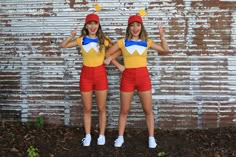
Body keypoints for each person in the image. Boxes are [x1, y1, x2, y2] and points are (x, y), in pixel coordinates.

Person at [104, 14, 169, 148]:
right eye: (132, 25)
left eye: (138, 25)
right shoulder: (123, 42)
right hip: (127, 78)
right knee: (124, 110)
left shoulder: (147, 41)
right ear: (129, 27)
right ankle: (120, 137)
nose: (135, 28)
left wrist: (162, 36)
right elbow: (107, 54)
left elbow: (165, 50)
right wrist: (119, 65)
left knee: (147, 109)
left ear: (141, 27)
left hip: (143, 77)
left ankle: (151, 137)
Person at [60, 13, 113, 146]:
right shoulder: (81, 40)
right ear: (86, 26)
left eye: (95, 23)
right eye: (90, 23)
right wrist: (71, 36)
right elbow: (63, 45)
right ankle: (88, 135)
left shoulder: (104, 40)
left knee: (101, 107)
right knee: (87, 108)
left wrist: (110, 58)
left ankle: (101, 135)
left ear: (98, 25)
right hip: (86, 76)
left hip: (101, 75)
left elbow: (118, 49)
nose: (93, 26)